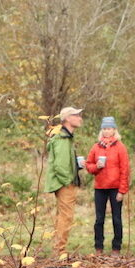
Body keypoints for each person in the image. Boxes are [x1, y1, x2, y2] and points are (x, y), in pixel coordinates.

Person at [84, 117, 129, 255]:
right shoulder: (96, 146)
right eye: (104, 128)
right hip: (100, 187)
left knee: (116, 218)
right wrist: (96, 167)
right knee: (99, 219)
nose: (106, 131)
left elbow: (125, 169)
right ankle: (99, 247)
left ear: (114, 130)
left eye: (109, 128)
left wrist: (122, 190)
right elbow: (88, 164)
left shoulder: (120, 147)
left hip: (115, 188)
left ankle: (116, 247)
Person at [45, 106, 83, 258]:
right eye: (77, 115)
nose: (80, 118)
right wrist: (68, 182)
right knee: (66, 216)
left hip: (64, 182)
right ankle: (59, 251)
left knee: (62, 216)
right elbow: (60, 166)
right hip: (64, 183)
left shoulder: (66, 137)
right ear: (67, 118)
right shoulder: (62, 138)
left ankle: (58, 249)